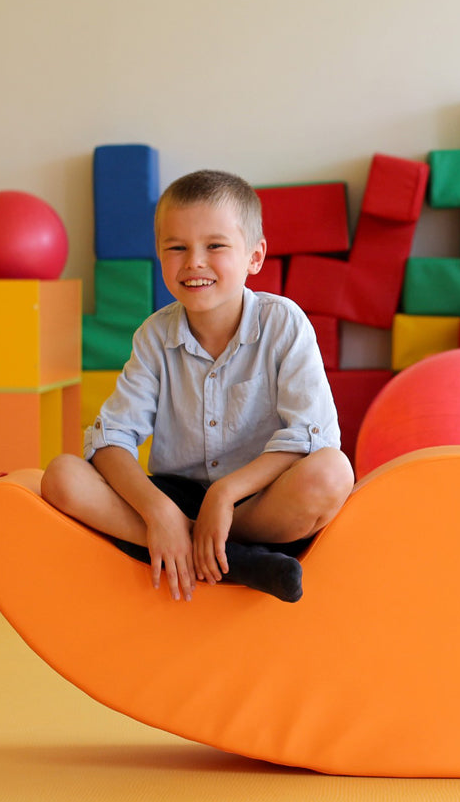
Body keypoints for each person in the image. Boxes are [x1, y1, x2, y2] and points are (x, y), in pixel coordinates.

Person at [42, 170, 354, 602]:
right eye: (177, 247)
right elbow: (111, 439)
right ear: (159, 254)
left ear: (254, 256)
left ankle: (215, 540)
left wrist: (226, 494)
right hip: (178, 495)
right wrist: (159, 512)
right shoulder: (154, 335)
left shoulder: (284, 323)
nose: (194, 262)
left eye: (215, 246)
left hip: (256, 501)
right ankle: (227, 557)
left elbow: (309, 435)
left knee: (332, 471)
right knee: (62, 476)